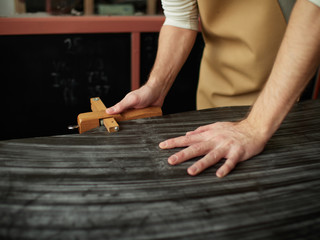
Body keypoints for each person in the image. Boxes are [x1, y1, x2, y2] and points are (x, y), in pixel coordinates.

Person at [107, 0, 320, 178]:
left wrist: (255, 127)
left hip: (290, 100)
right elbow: (180, 19)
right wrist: (156, 86)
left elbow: (314, 9)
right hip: (218, 92)